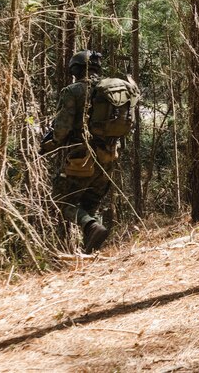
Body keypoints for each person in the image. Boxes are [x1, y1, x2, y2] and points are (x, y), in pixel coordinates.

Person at [41, 50, 134, 253]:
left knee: (62, 200)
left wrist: (47, 144)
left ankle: (92, 228)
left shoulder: (73, 91)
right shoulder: (112, 90)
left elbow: (61, 129)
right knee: (90, 204)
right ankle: (91, 251)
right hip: (109, 157)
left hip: (81, 159)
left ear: (75, 69)